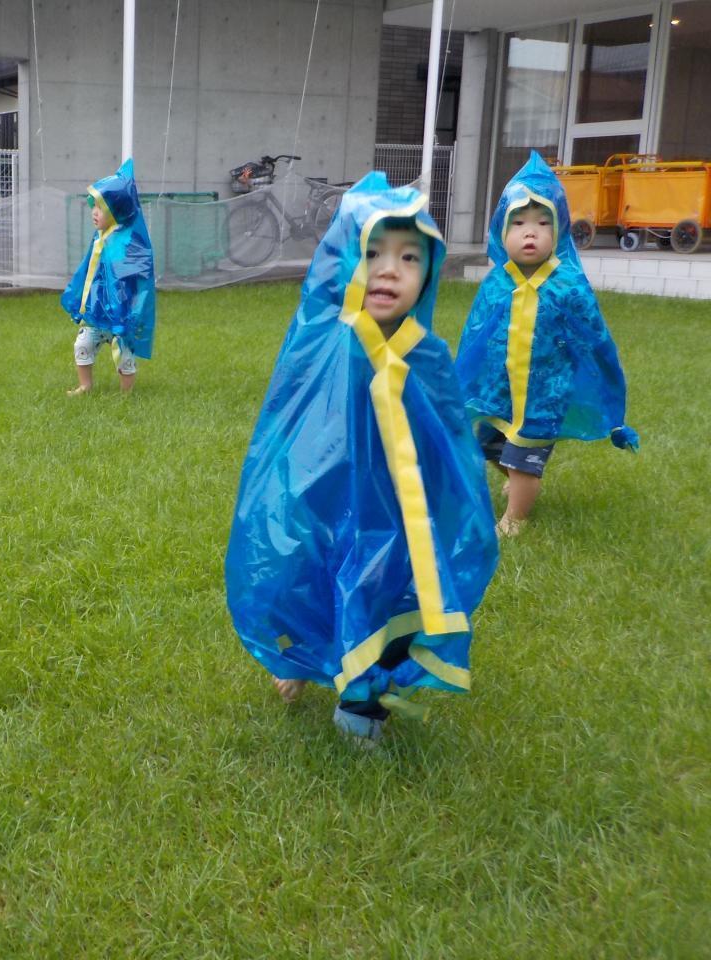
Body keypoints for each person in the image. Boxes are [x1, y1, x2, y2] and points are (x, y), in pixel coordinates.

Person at [225, 173, 498, 745]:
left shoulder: (428, 355)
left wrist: (453, 510)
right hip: (328, 508)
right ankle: (304, 659)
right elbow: (292, 425)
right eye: (372, 254)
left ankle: (360, 712)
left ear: (429, 271)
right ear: (344, 259)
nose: (389, 270)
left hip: (397, 521)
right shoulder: (324, 342)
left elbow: (450, 444)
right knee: (312, 586)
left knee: (385, 604)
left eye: (409, 257)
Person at [455, 151, 639, 535]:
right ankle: (516, 478)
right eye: (518, 222)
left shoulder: (568, 287)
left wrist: (610, 399)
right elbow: (475, 337)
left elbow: (596, 341)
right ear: (500, 230)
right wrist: (462, 384)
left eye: (543, 223)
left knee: (525, 456)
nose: (530, 232)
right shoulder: (497, 284)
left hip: (544, 394)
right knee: (490, 445)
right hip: (498, 392)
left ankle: (515, 518)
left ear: (559, 232)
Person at [60, 158, 156, 394]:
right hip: (96, 312)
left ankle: (127, 394)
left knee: (124, 355)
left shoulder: (129, 242)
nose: (94, 213)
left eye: (100, 208)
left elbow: (137, 275)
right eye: (93, 206)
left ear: (117, 211)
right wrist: (78, 299)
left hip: (121, 313)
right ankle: (85, 385)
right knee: (82, 344)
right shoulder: (100, 237)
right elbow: (88, 270)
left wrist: (130, 311)